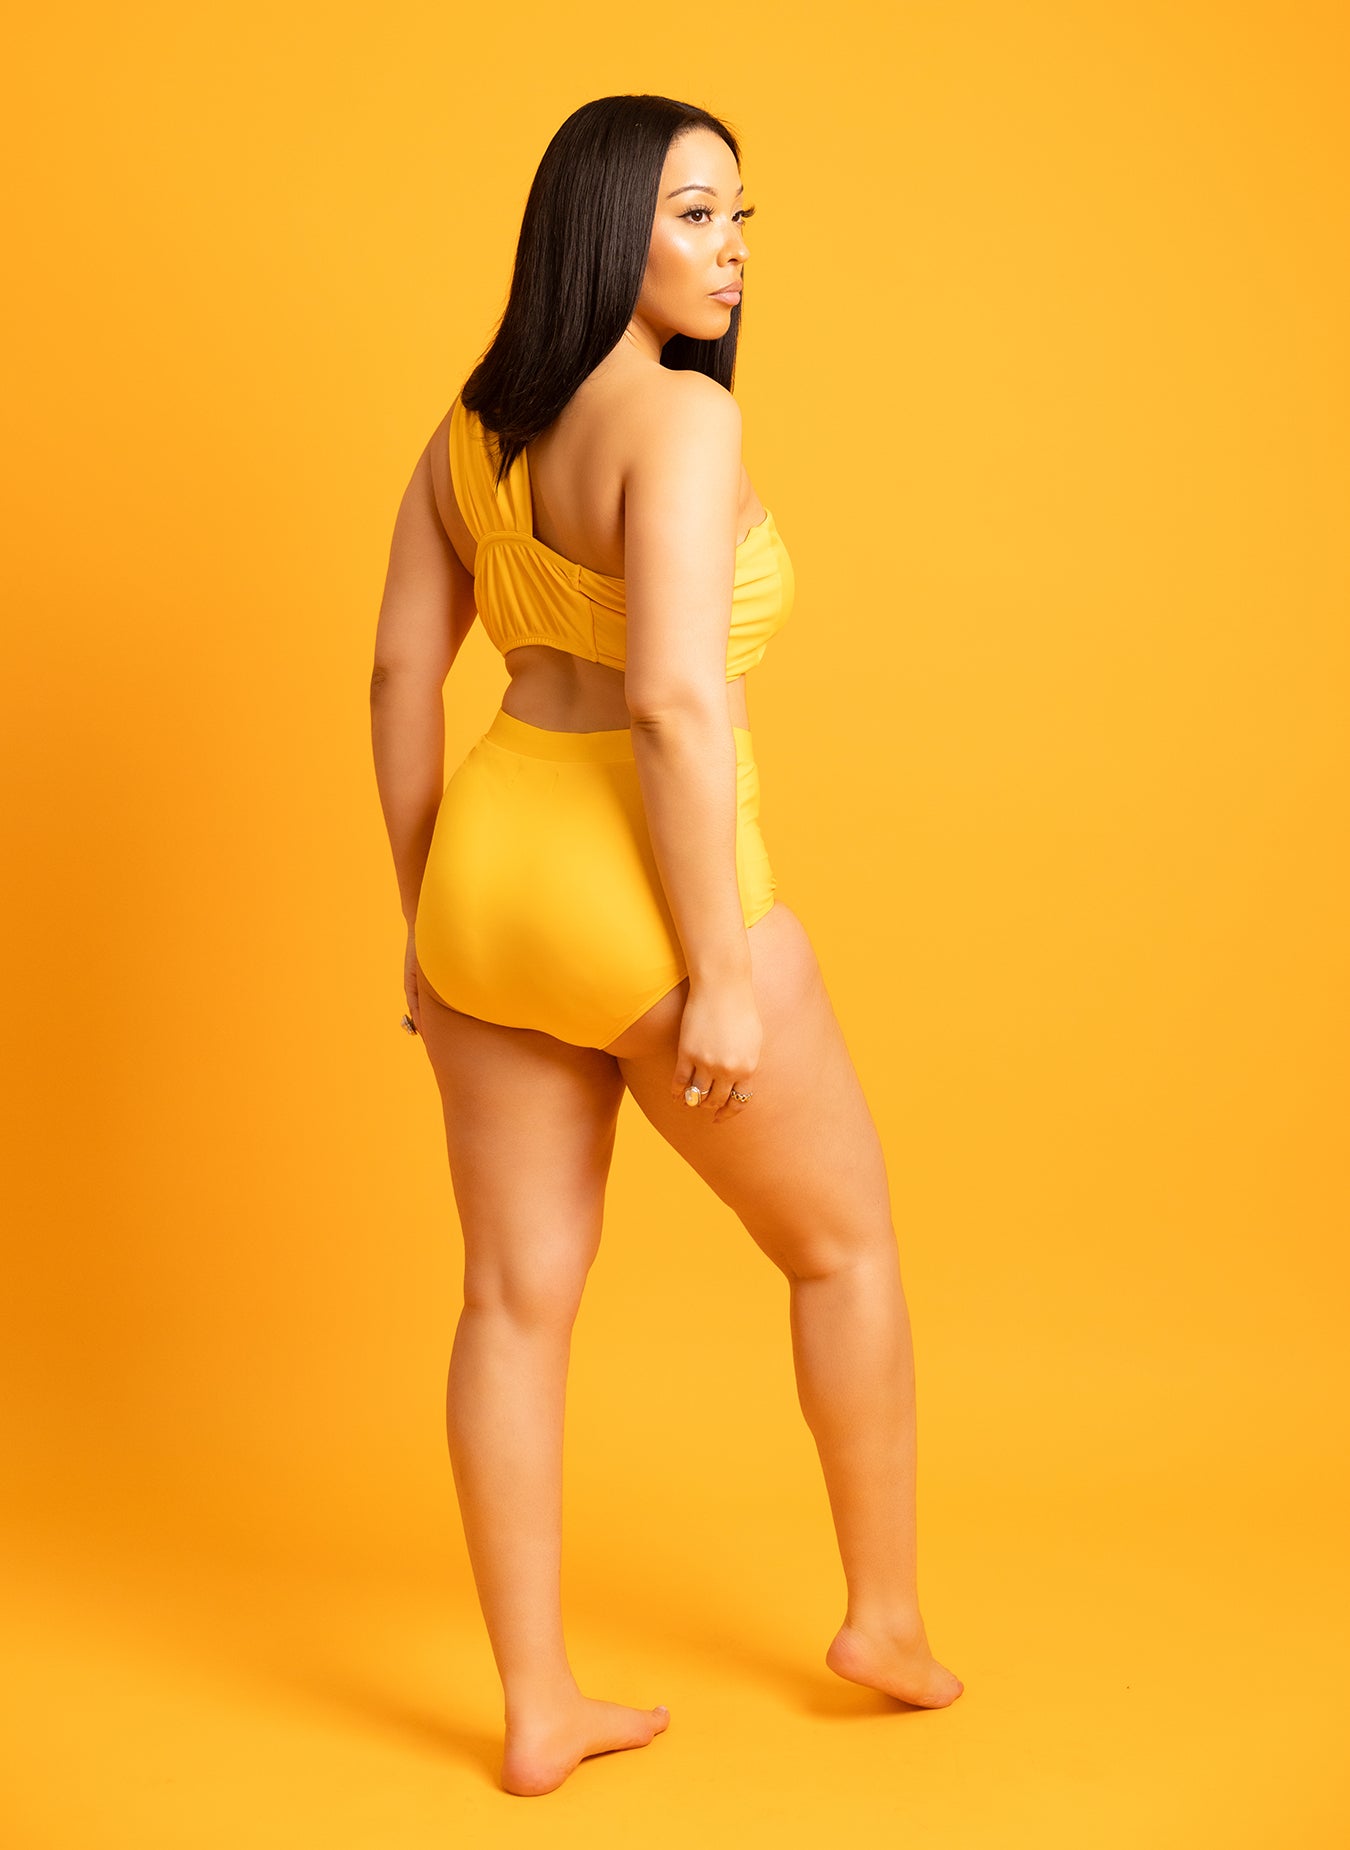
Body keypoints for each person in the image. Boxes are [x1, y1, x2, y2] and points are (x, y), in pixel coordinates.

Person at [369, 93, 962, 1799]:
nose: (731, 248)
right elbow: (679, 706)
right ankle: (882, 1619)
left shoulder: (469, 431)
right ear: (604, 224)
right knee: (842, 1250)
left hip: (486, 874)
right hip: (640, 885)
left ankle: (537, 1704)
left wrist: (420, 923)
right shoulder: (682, 423)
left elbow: (400, 676)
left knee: (509, 1300)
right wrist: (716, 970)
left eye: (739, 215)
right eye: (694, 213)